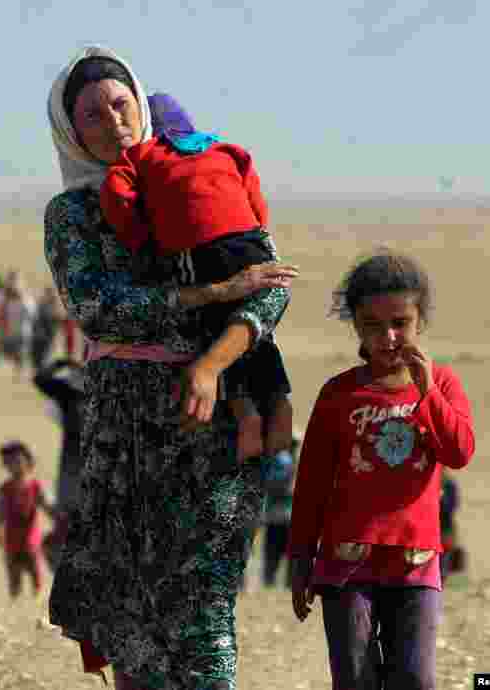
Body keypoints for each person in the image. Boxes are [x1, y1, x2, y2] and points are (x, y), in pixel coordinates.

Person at [44, 46, 298, 689]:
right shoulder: (71, 214)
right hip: (120, 435)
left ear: (141, 104)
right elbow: (98, 308)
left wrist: (213, 360)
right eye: (94, 116)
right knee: (129, 613)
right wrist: (205, 295)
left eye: (122, 106)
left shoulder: (194, 175)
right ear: (73, 131)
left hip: (211, 423)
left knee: (204, 607)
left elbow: (269, 286)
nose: (114, 124)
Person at [289, 250, 475, 690]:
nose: (388, 337)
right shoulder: (339, 394)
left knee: (415, 678)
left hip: (416, 565)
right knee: (354, 678)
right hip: (346, 566)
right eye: (372, 326)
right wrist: (301, 559)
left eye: (400, 323)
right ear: (355, 325)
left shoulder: (443, 385)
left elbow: (459, 451)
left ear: (419, 321)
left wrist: (428, 390)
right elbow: (312, 482)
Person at [100, 92, 293, 464]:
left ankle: (245, 414)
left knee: (213, 320)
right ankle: (279, 405)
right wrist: (254, 232)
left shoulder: (143, 154)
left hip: (198, 248)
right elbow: (255, 195)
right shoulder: (225, 148)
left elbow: (116, 193)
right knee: (257, 328)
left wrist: (143, 236)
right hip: (249, 240)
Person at [33, 359, 86, 571]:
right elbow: (40, 379)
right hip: (71, 471)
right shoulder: (69, 395)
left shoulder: (110, 393)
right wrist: (61, 363)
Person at [0, 441, 56, 600]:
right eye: (11, 462)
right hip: (11, 542)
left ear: (28, 461)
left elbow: (48, 507)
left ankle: (37, 600)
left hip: (31, 541)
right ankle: (16, 602)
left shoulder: (36, 486)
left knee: (35, 575)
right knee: (14, 578)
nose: (16, 466)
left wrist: (58, 519)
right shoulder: (4, 489)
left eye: (18, 461)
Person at [259, 431, 300, 588]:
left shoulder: (285, 461)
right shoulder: (283, 461)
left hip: (282, 517)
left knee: (278, 559)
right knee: (275, 559)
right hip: (279, 517)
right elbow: (278, 486)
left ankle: (276, 586)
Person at [30, 287, 61, 371]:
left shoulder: (52, 308)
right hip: (39, 336)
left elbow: (54, 325)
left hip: (46, 337)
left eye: (47, 294)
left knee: (44, 359)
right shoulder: (41, 306)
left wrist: (54, 338)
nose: (45, 295)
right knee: (38, 359)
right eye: (45, 293)